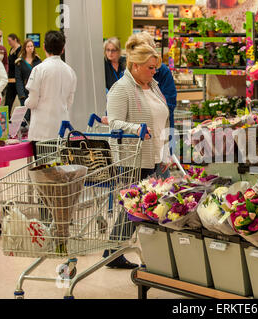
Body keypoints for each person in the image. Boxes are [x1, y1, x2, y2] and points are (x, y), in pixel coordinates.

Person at [102, 34, 171, 269]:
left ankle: (114, 251)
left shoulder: (153, 86)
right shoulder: (121, 89)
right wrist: (137, 128)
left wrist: (166, 151)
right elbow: (114, 123)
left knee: (140, 207)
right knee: (138, 207)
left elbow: (163, 117)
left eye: (156, 68)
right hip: (134, 157)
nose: (155, 72)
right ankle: (125, 253)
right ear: (136, 66)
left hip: (156, 153)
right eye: (151, 68)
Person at [24, 31, 76, 152]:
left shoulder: (39, 69)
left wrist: (25, 103)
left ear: (43, 46)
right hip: (62, 130)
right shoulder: (70, 71)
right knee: (61, 168)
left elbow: (32, 102)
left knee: (43, 169)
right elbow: (69, 102)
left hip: (41, 131)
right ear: (63, 49)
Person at [15, 38, 42, 125]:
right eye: (28, 46)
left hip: (37, 91)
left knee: (36, 114)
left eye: (32, 46)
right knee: (25, 116)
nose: (30, 48)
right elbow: (18, 79)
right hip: (25, 92)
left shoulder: (38, 60)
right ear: (24, 48)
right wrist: (21, 94)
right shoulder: (19, 62)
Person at [6, 34, 22, 115]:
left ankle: (25, 120)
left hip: (17, 80)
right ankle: (5, 121)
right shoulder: (11, 49)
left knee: (22, 102)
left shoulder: (20, 50)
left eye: (10, 41)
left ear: (15, 39)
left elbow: (19, 66)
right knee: (7, 103)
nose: (8, 43)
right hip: (10, 79)